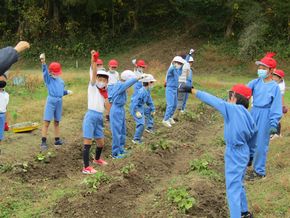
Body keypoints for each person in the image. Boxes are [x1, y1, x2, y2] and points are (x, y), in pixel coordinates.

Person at [189, 84, 256, 218]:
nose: (226, 99)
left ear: (233, 97)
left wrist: (192, 90)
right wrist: (251, 155)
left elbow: (212, 100)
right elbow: (254, 136)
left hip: (234, 152)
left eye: (229, 96)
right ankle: (244, 212)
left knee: (232, 188)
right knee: (239, 183)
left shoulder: (231, 109)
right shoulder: (248, 115)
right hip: (244, 151)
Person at [246, 53, 282, 180]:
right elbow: (244, 92)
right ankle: (248, 160)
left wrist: (273, 124)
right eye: (259, 68)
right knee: (249, 138)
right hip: (254, 112)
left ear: (271, 71)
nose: (260, 70)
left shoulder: (274, 88)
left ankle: (259, 172)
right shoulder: (255, 82)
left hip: (265, 115)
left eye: (263, 68)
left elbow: (276, 108)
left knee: (261, 144)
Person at [109, 70, 149, 158]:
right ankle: (115, 153)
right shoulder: (120, 85)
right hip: (116, 110)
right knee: (117, 131)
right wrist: (138, 77)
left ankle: (121, 149)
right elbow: (127, 84)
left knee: (123, 130)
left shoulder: (123, 86)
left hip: (121, 109)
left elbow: (128, 85)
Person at [82, 51, 110, 174]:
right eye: (100, 78)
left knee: (101, 143)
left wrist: (108, 114)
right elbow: (93, 74)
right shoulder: (93, 86)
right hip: (91, 116)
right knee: (87, 142)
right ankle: (86, 167)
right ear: (97, 78)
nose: (102, 81)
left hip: (99, 117)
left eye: (104, 79)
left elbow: (107, 104)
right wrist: (93, 61)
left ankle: (97, 159)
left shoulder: (104, 92)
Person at [39, 53, 73, 151]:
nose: (56, 74)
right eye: (54, 73)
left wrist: (66, 92)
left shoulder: (61, 81)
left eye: (57, 73)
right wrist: (43, 62)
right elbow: (44, 72)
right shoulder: (48, 79)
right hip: (51, 101)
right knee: (47, 121)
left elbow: (60, 92)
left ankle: (57, 139)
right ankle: (43, 141)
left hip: (59, 101)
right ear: (51, 72)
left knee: (57, 121)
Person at [131, 74, 156, 144]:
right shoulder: (141, 92)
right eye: (152, 82)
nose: (153, 84)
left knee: (149, 111)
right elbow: (134, 102)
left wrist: (153, 109)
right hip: (136, 108)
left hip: (141, 107)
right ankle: (136, 139)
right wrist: (136, 111)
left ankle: (149, 127)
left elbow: (149, 101)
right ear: (148, 83)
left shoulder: (147, 91)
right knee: (141, 123)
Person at [162, 56, 186, 127]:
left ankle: (169, 117)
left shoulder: (177, 70)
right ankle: (165, 120)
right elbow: (172, 67)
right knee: (170, 105)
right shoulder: (172, 68)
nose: (180, 65)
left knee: (175, 104)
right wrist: (174, 63)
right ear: (175, 63)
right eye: (178, 63)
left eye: (180, 64)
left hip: (175, 89)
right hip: (169, 89)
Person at [271, 69, 287, 138]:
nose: (274, 78)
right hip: (273, 104)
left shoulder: (280, 86)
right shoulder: (277, 83)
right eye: (273, 76)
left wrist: (282, 106)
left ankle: (276, 134)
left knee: (276, 119)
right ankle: (276, 133)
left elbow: (281, 97)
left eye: (276, 77)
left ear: (280, 78)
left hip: (277, 105)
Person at [177, 49, 194, 113]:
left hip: (189, 84)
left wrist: (191, 85)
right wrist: (190, 54)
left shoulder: (191, 70)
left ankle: (183, 109)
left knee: (186, 97)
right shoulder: (184, 66)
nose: (191, 63)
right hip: (184, 83)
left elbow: (191, 79)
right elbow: (186, 60)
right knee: (182, 97)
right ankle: (179, 109)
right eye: (190, 62)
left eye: (191, 62)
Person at [0, 76, 9, 146]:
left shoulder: (6, 95)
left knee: (0, 134)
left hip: (2, 115)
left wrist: (5, 122)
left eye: (3, 80)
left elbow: (6, 107)